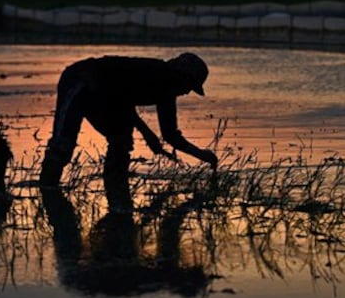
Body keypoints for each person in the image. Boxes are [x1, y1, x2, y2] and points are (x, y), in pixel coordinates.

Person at [39, 52, 218, 206]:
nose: (187, 92)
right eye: (189, 87)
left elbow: (170, 135)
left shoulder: (167, 93)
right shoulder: (154, 73)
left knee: (121, 138)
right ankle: (48, 190)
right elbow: (122, 100)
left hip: (104, 95)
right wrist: (147, 134)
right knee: (63, 144)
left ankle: (115, 182)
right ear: (182, 77)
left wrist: (202, 155)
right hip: (82, 80)